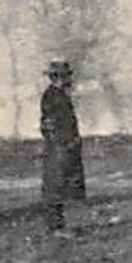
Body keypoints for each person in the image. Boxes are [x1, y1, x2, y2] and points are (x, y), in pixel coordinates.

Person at [40, 60, 86, 232]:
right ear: (58, 77)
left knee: (59, 187)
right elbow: (49, 124)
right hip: (59, 148)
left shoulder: (59, 95)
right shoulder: (52, 96)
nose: (70, 79)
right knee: (55, 188)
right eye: (67, 76)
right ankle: (55, 228)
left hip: (64, 147)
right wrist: (62, 143)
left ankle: (58, 226)